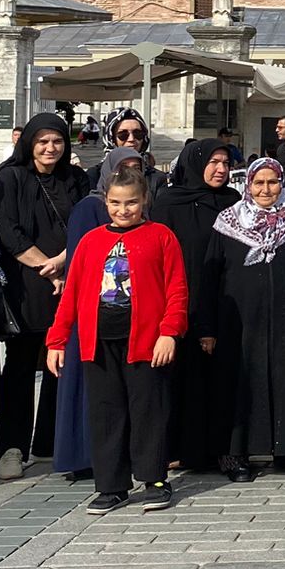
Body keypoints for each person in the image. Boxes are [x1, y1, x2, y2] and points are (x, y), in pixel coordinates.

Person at [48, 168, 189, 512]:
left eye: (131, 203)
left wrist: (169, 332)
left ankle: (154, 477)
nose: (123, 210)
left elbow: (177, 289)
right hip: (100, 341)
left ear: (144, 202)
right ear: (105, 201)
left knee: (148, 411)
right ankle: (111, 484)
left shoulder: (161, 236)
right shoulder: (91, 241)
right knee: (106, 413)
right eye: (115, 203)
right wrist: (57, 339)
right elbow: (73, 294)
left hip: (145, 340)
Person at [205, 158, 285, 479]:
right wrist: (206, 327)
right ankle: (236, 455)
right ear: (247, 185)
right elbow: (209, 278)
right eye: (258, 183)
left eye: (273, 182)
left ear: (282, 184)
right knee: (241, 385)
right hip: (240, 324)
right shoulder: (227, 223)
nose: (266, 190)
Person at [0, 113, 90, 480]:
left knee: (61, 361)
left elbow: (87, 223)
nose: (50, 148)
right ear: (30, 142)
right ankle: (12, 448)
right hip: (26, 284)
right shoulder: (10, 177)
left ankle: (52, 441)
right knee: (19, 366)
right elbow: (8, 230)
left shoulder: (76, 179)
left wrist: (64, 262)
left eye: (58, 141)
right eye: (43, 141)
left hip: (69, 279)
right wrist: (45, 266)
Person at [52, 145, 148, 481]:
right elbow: (80, 271)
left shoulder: (148, 226)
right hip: (93, 318)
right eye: (125, 167)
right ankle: (85, 456)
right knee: (92, 394)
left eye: (137, 167)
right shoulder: (88, 209)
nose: (130, 174)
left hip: (131, 323)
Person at [148, 139, 238, 474]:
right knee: (181, 381)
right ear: (196, 162)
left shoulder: (232, 202)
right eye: (214, 162)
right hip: (181, 303)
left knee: (218, 379)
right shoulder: (169, 202)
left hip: (223, 301)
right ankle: (177, 448)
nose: (221, 169)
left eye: (226, 163)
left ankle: (220, 448)